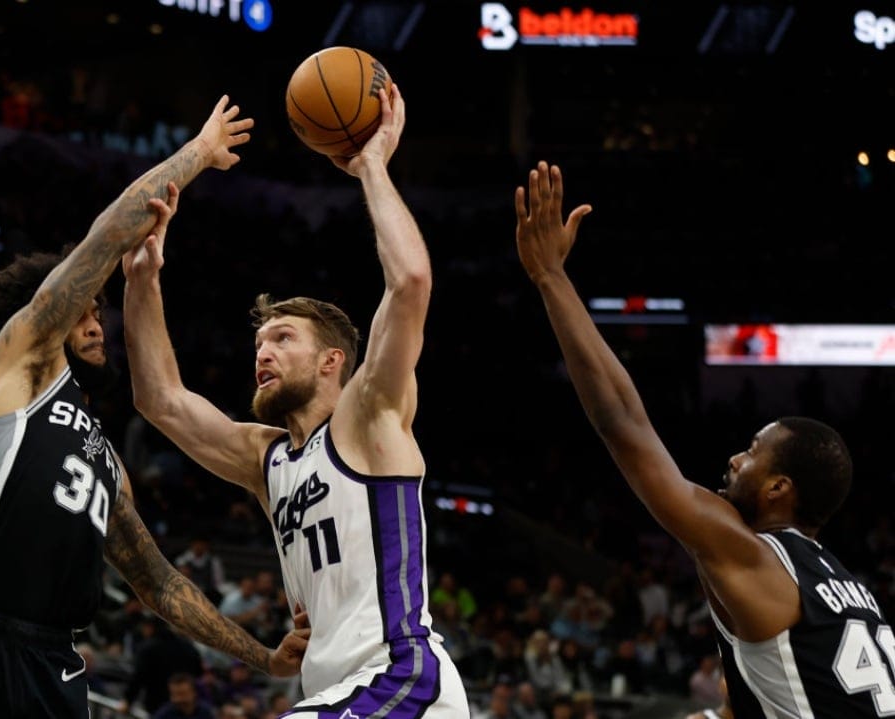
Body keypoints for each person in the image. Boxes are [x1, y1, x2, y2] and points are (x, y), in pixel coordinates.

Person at [0, 96, 309, 719]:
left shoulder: (106, 460)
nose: (98, 322)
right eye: (88, 311)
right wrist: (197, 154)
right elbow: (105, 237)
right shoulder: (25, 365)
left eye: (99, 312)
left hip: (55, 660)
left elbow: (159, 583)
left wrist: (262, 656)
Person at [123, 84, 469, 717]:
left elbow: (412, 281)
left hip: (401, 675)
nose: (263, 353)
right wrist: (144, 279)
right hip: (332, 690)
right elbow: (161, 400)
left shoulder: (369, 415)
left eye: (282, 339)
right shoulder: (267, 458)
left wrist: (371, 167)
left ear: (333, 361)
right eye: (259, 342)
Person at [513, 160, 890, 717]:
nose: (736, 458)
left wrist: (551, 277)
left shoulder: (757, 557)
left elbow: (622, 423)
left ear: (779, 488)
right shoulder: (853, 594)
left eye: (754, 452)